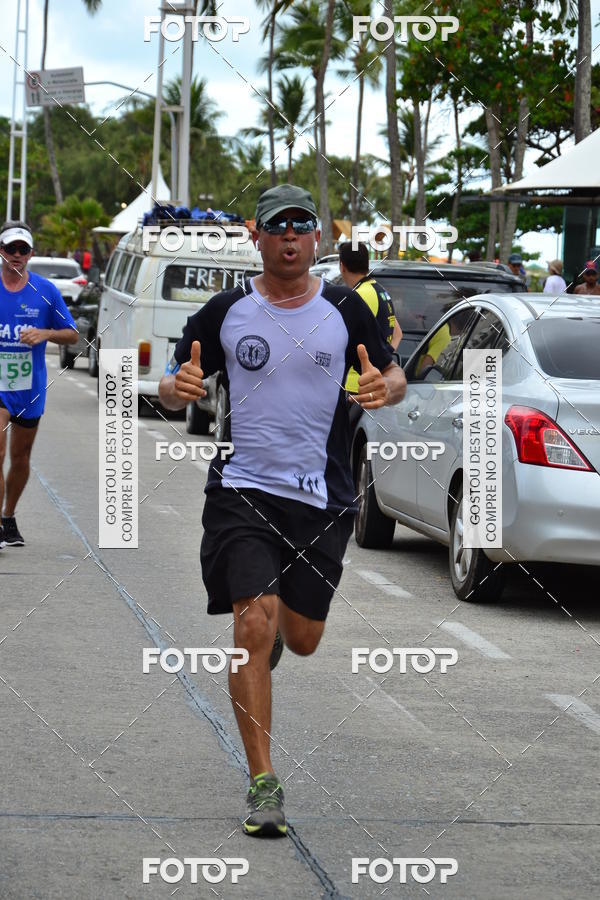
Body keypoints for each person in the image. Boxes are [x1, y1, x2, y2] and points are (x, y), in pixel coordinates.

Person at [159, 184, 406, 838]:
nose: (290, 237)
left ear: (317, 238)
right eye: (278, 227)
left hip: (322, 499)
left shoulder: (346, 308)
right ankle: (263, 781)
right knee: (253, 625)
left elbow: (394, 373)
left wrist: (385, 385)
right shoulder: (225, 312)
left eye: (302, 225)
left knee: (300, 636)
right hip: (242, 492)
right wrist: (173, 385)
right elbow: (170, 376)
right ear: (257, 235)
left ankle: (270, 648)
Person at [0, 221, 78, 548]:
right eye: (10, 249)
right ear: (0, 251)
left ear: (31, 253)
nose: (16, 255)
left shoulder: (45, 291)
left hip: (29, 389)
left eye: (23, 249)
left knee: (20, 458)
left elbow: (73, 334)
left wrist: (45, 333)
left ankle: (8, 515)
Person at [339, 241, 402, 401]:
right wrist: (383, 363)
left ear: (342, 266)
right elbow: (397, 334)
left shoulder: (356, 296)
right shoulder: (380, 291)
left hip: (355, 386)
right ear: (367, 264)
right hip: (375, 383)